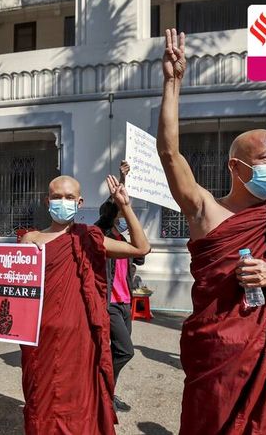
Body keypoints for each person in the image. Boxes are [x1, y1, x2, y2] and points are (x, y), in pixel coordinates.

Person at [157, 29, 266, 434]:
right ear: (236, 167)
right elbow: (169, 154)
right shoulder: (206, 210)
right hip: (219, 353)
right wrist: (172, 83)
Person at [20, 175, 151, 435]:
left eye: (69, 198)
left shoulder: (89, 237)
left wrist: (124, 206)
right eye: (57, 197)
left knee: (78, 401)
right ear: (48, 201)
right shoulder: (30, 239)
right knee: (41, 398)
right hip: (39, 337)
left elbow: (141, 248)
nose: (62, 202)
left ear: (79, 203)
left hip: (80, 337)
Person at [94, 161, 145, 412]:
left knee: (116, 351)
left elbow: (141, 255)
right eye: (123, 214)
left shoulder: (125, 239)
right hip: (109, 304)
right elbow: (110, 211)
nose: (127, 217)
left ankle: (107, 393)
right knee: (125, 351)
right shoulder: (103, 235)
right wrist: (122, 181)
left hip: (126, 303)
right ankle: (101, 393)